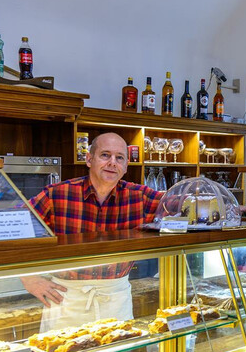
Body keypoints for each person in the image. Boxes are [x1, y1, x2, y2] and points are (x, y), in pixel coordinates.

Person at [22, 132, 160, 331]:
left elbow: (180, 205)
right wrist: (29, 279)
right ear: (89, 159)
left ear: (126, 165)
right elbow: (15, 229)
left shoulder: (142, 197)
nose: (112, 162)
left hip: (115, 300)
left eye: (119, 157)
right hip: (65, 299)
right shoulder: (56, 194)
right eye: (105, 155)